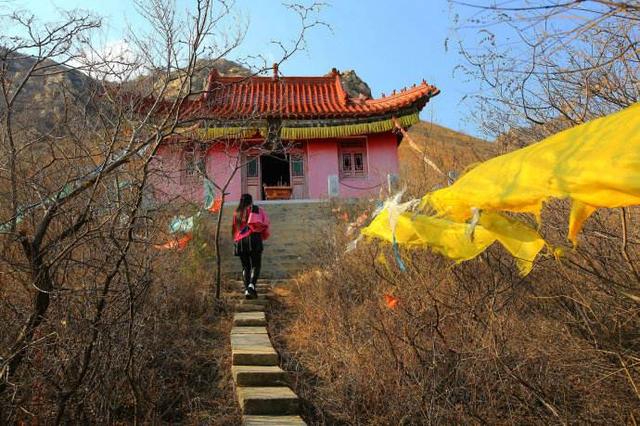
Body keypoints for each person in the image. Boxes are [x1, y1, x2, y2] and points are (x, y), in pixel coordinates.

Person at [232, 194, 270, 299]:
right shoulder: (256, 209)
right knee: (256, 265)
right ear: (251, 200)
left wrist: (235, 241)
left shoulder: (237, 212)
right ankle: (251, 286)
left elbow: (234, 229)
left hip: (240, 241)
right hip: (254, 239)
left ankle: (247, 290)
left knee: (245, 267)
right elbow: (264, 223)